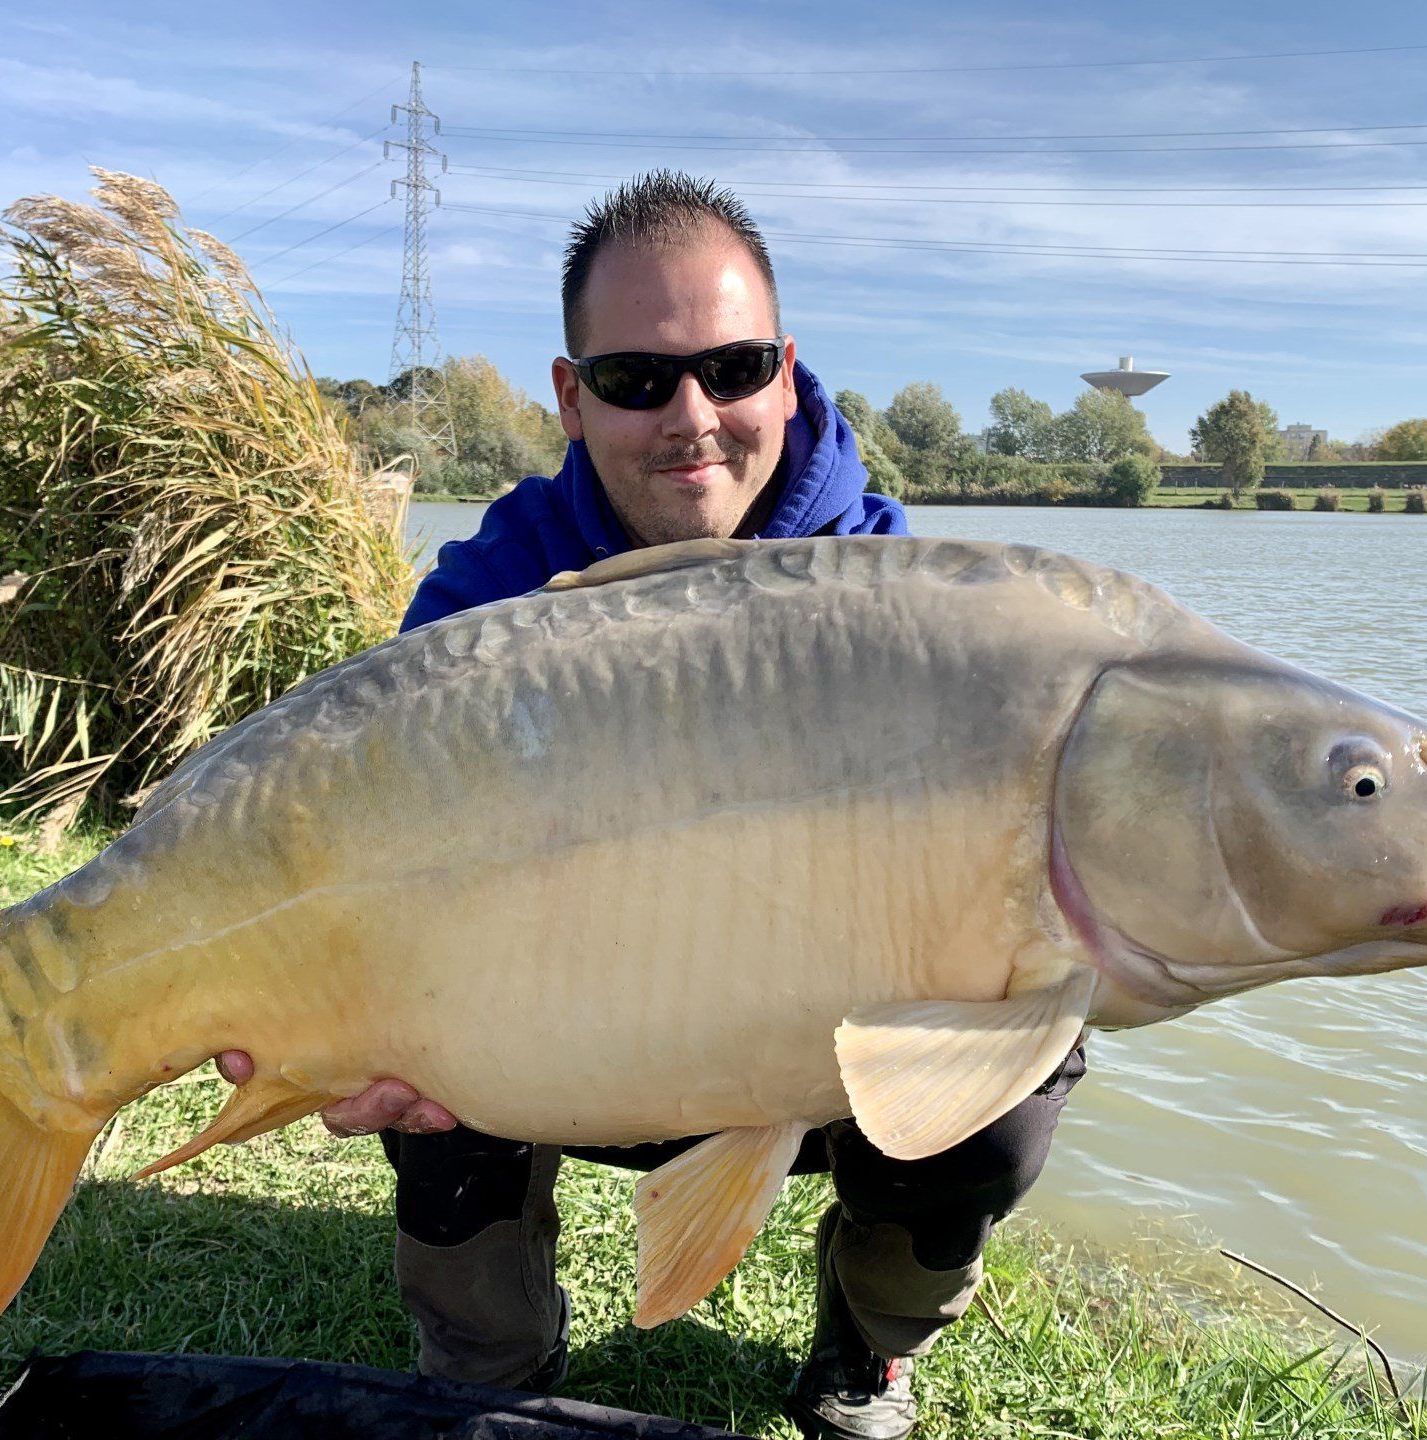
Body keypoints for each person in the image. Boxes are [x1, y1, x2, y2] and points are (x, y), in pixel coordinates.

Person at [215, 170, 1087, 1440]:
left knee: (1015, 1063)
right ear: (571, 399)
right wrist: (327, 1026)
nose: (693, 416)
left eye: (732, 369)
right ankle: (486, 1359)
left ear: (786, 373)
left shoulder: (907, 602)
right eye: (636, 380)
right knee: (424, 1028)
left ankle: (869, 1349)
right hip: (568, 1041)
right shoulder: (486, 604)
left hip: (828, 1035)